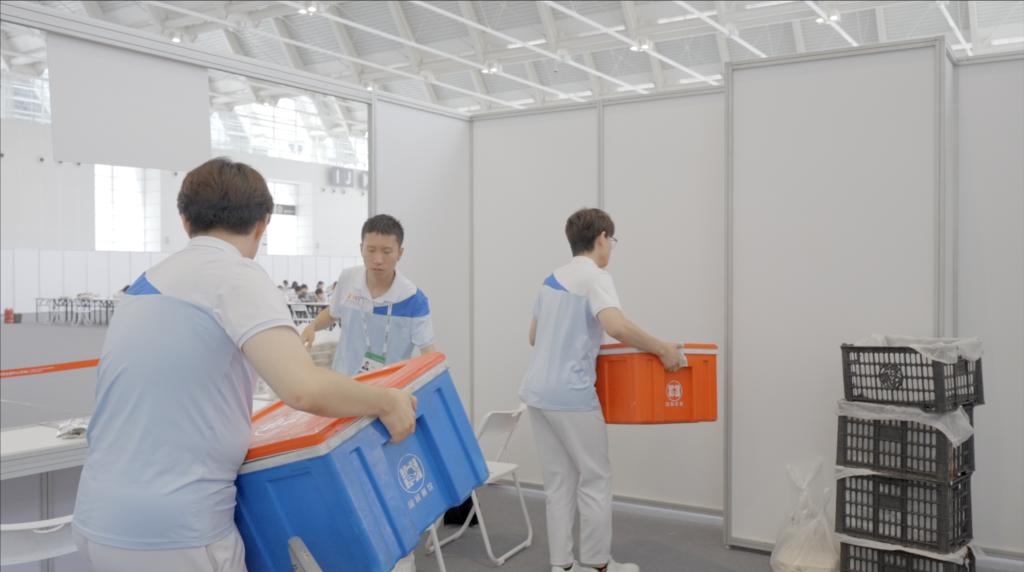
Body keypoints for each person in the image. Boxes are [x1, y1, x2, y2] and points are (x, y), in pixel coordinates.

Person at [72, 158, 417, 572]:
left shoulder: (147, 282)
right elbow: (303, 388)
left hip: (97, 517)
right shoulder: (236, 276)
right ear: (262, 224)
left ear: (185, 221)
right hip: (175, 530)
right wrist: (387, 401)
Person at [520, 208, 685, 572]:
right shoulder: (595, 277)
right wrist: (662, 348)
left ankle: (562, 566)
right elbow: (616, 325)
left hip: (537, 393)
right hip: (571, 394)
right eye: (612, 241)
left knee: (559, 482)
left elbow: (533, 336)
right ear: (601, 238)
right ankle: (598, 565)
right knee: (595, 478)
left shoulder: (550, 280)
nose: (611, 247)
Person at [301, 214, 436, 572]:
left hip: (385, 404)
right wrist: (312, 327)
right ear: (360, 248)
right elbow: (333, 313)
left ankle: (401, 557)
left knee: (387, 482)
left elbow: (429, 354)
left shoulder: (413, 298)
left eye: (386, 252)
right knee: (344, 479)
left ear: (400, 252)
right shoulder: (349, 279)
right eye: (370, 250)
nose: (377, 259)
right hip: (342, 397)